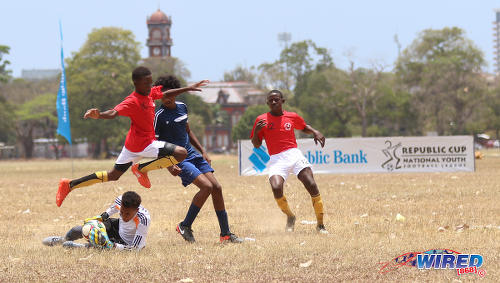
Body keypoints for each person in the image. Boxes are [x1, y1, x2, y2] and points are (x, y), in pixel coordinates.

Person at [56, 66, 209, 207]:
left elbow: (166, 93)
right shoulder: (132, 101)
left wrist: (189, 88)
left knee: (113, 175)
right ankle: (140, 169)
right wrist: (100, 115)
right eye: (147, 83)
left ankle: (69, 184)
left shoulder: (149, 93)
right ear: (136, 83)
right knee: (181, 153)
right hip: (144, 145)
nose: (150, 86)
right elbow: (114, 113)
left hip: (133, 145)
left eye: (151, 82)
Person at [153, 75, 242, 243]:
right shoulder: (159, 115)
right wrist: (169, 165)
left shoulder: (182, 107)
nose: (165, 97)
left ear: (176, 93)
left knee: (217, 187)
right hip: (177, 159)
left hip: (193, 154)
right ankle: (185, 225)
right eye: (162, 94)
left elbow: (187, 130)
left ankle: (225, 234)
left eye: (169, 93)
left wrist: (203, 150)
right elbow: (155, 145)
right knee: (206, 187)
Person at [250, 89, 328, 234]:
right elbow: (256, 144)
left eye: (276, 99)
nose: (274, 102)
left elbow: (303, 127)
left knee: (311, 184)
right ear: (267, 103)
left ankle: (320, 225)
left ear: (282, 101)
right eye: (271, 100)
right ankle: (290, 216)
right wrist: (256, 133)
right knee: (276, 187)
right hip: (276, 159)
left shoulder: (292, 116)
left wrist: (315, 131)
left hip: (294, 155)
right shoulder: (261, 120)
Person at [43, 191, 150, 250]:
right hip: (116, 226)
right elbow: (113, 208)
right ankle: (62, 239)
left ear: (136, 210)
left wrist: (114, 246)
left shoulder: (143, 219)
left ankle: (82, 247)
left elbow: (136, 249)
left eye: (128, 214)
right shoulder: (120, 201)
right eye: (122, 212)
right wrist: (103, 216)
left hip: (126, 242)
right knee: (86, 228)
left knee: (103, 246)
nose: (124, 216)